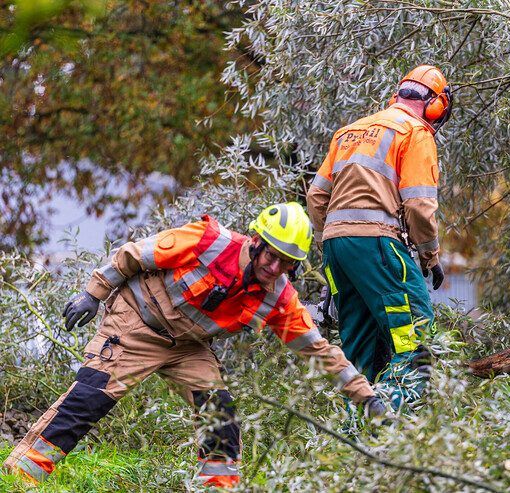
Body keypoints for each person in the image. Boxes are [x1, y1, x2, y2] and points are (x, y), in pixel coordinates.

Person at [3, 202, 385, 489]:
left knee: (221, 416)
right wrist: (93, 293)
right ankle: (22, 473)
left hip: (188, 346)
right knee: (90, 398)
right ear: (256, 242)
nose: (275, 268)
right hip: (136, 320)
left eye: (286, 264)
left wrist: (366, 397)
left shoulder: (279, 298)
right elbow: (133, 255)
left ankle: (216, 487)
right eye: (272, 256)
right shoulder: (208, 241)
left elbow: (321, 351)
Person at [307, 65, 452, 410]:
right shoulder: (416, 133)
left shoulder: (349, 132)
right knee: (416, 336)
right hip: (378, 246)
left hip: (336, 250)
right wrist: (430, 255)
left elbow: (315, 198)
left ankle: (356, 430)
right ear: (435, 105)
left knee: (360, 350)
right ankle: (391, 415)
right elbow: (418, 206)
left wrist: (331, 241)